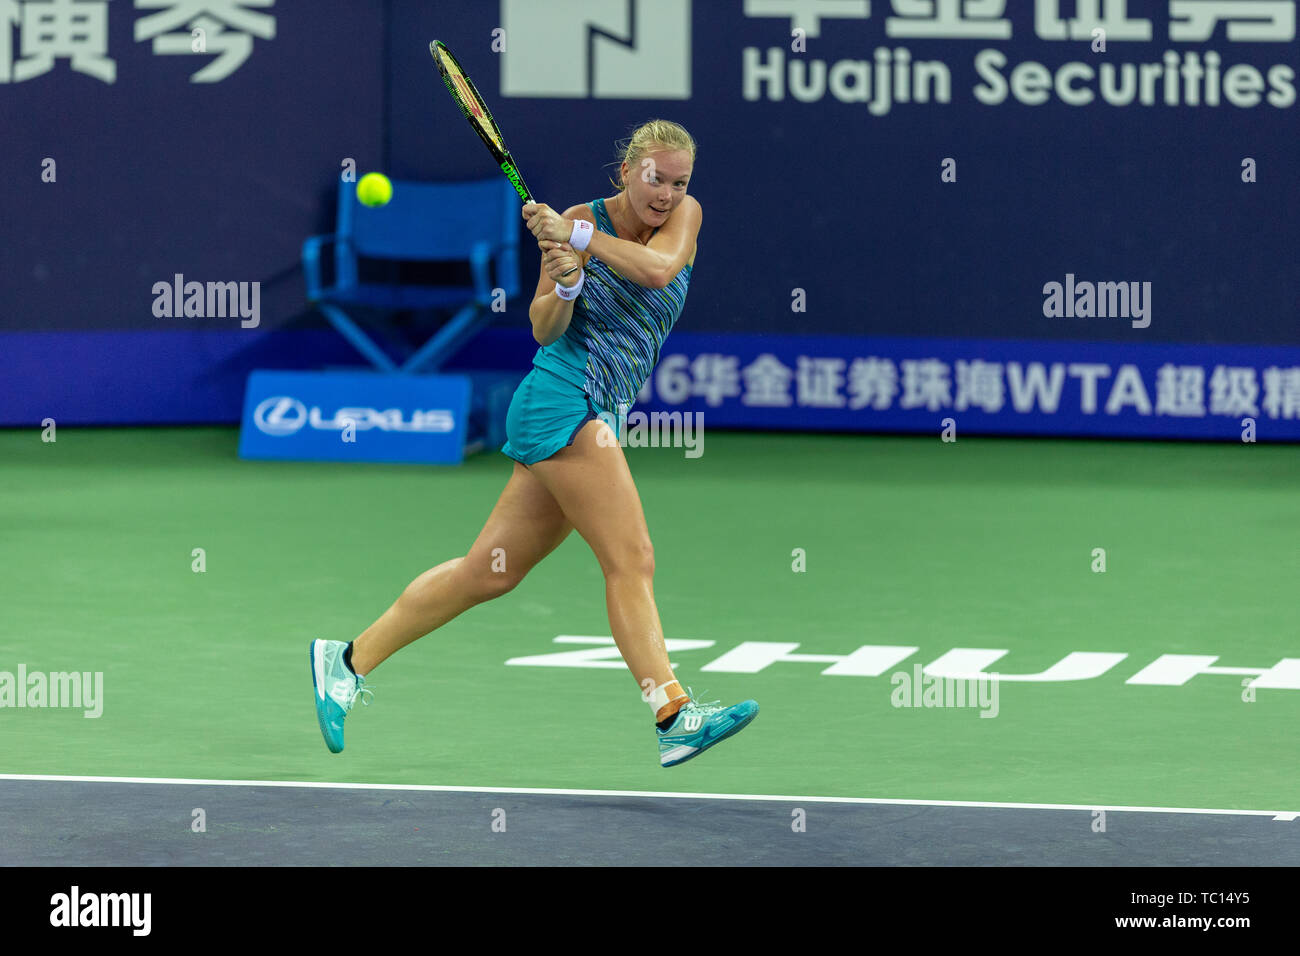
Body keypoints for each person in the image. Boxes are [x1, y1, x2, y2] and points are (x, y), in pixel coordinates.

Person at [310, 119, 757, 767]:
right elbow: (545, 329)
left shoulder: (675, 219)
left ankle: (346, 661)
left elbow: (659, 272)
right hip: (562, 402)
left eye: (678, 180)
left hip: (590, 407)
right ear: (626, 171)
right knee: (631, 560)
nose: (666, 192)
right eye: (655, 177)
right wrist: (568, 280)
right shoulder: (580, 218)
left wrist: (581, 240)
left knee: (488, 572)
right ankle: (673, 714)